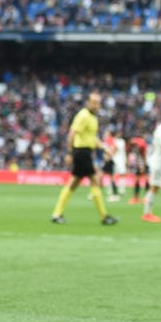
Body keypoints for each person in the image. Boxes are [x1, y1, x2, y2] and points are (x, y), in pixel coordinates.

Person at [50, 92, 118, 225]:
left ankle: (57, 213)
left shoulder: (93, 118)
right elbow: (72, 133)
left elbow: (92, 138)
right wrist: (69, 153)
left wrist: (105, 147)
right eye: (93, 102)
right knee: (94, 180)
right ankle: (104, 216)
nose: (96, 105)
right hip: (81, 152)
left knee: (73, 183)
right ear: (88, 103)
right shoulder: (83, 115)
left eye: (98, 103)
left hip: (85, 152)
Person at [127, 135, 149, 204]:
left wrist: (144, 165)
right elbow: (131, 154)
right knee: (137, 179)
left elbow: (144, 155)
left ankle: (147, 197)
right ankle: (136, 198)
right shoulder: (131, 145)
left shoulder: (141, 144)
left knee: (146, 179)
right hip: (138, 162)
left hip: (144, 161)